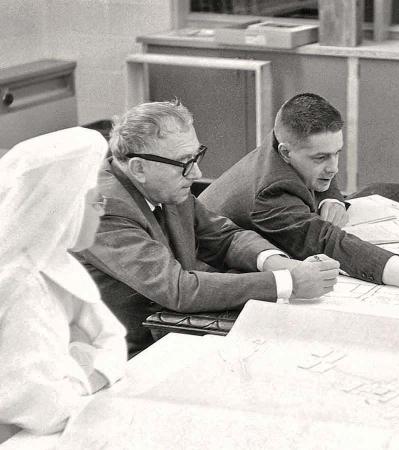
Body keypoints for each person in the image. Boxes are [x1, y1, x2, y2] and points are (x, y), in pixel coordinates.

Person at [75, 101, 340, 355]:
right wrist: (289, 282)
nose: (196, 173)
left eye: (196, 156)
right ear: (138, 168)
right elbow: (178, 289)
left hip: (173, 331)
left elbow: (225, 237)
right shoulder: (105, 208)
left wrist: (276, 262)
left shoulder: (167, 184)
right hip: (133, 355)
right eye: (184, 162)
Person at [200, 93, 399, 302]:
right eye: (321, 158)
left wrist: (329, 198)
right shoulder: (271, 194)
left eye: (337, 153)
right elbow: (330, 243)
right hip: (213, 280)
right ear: (285, 153)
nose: (334, 167)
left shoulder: (285, 139)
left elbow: (321, 166)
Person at [0, 127, 127, 438]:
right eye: (95, 201)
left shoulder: (60, 263)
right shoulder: (23, 284)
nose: (102, 210)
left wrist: (76, 361)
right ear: (67, 207)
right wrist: (84, 361)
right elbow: (42, 408)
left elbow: (114, 341)